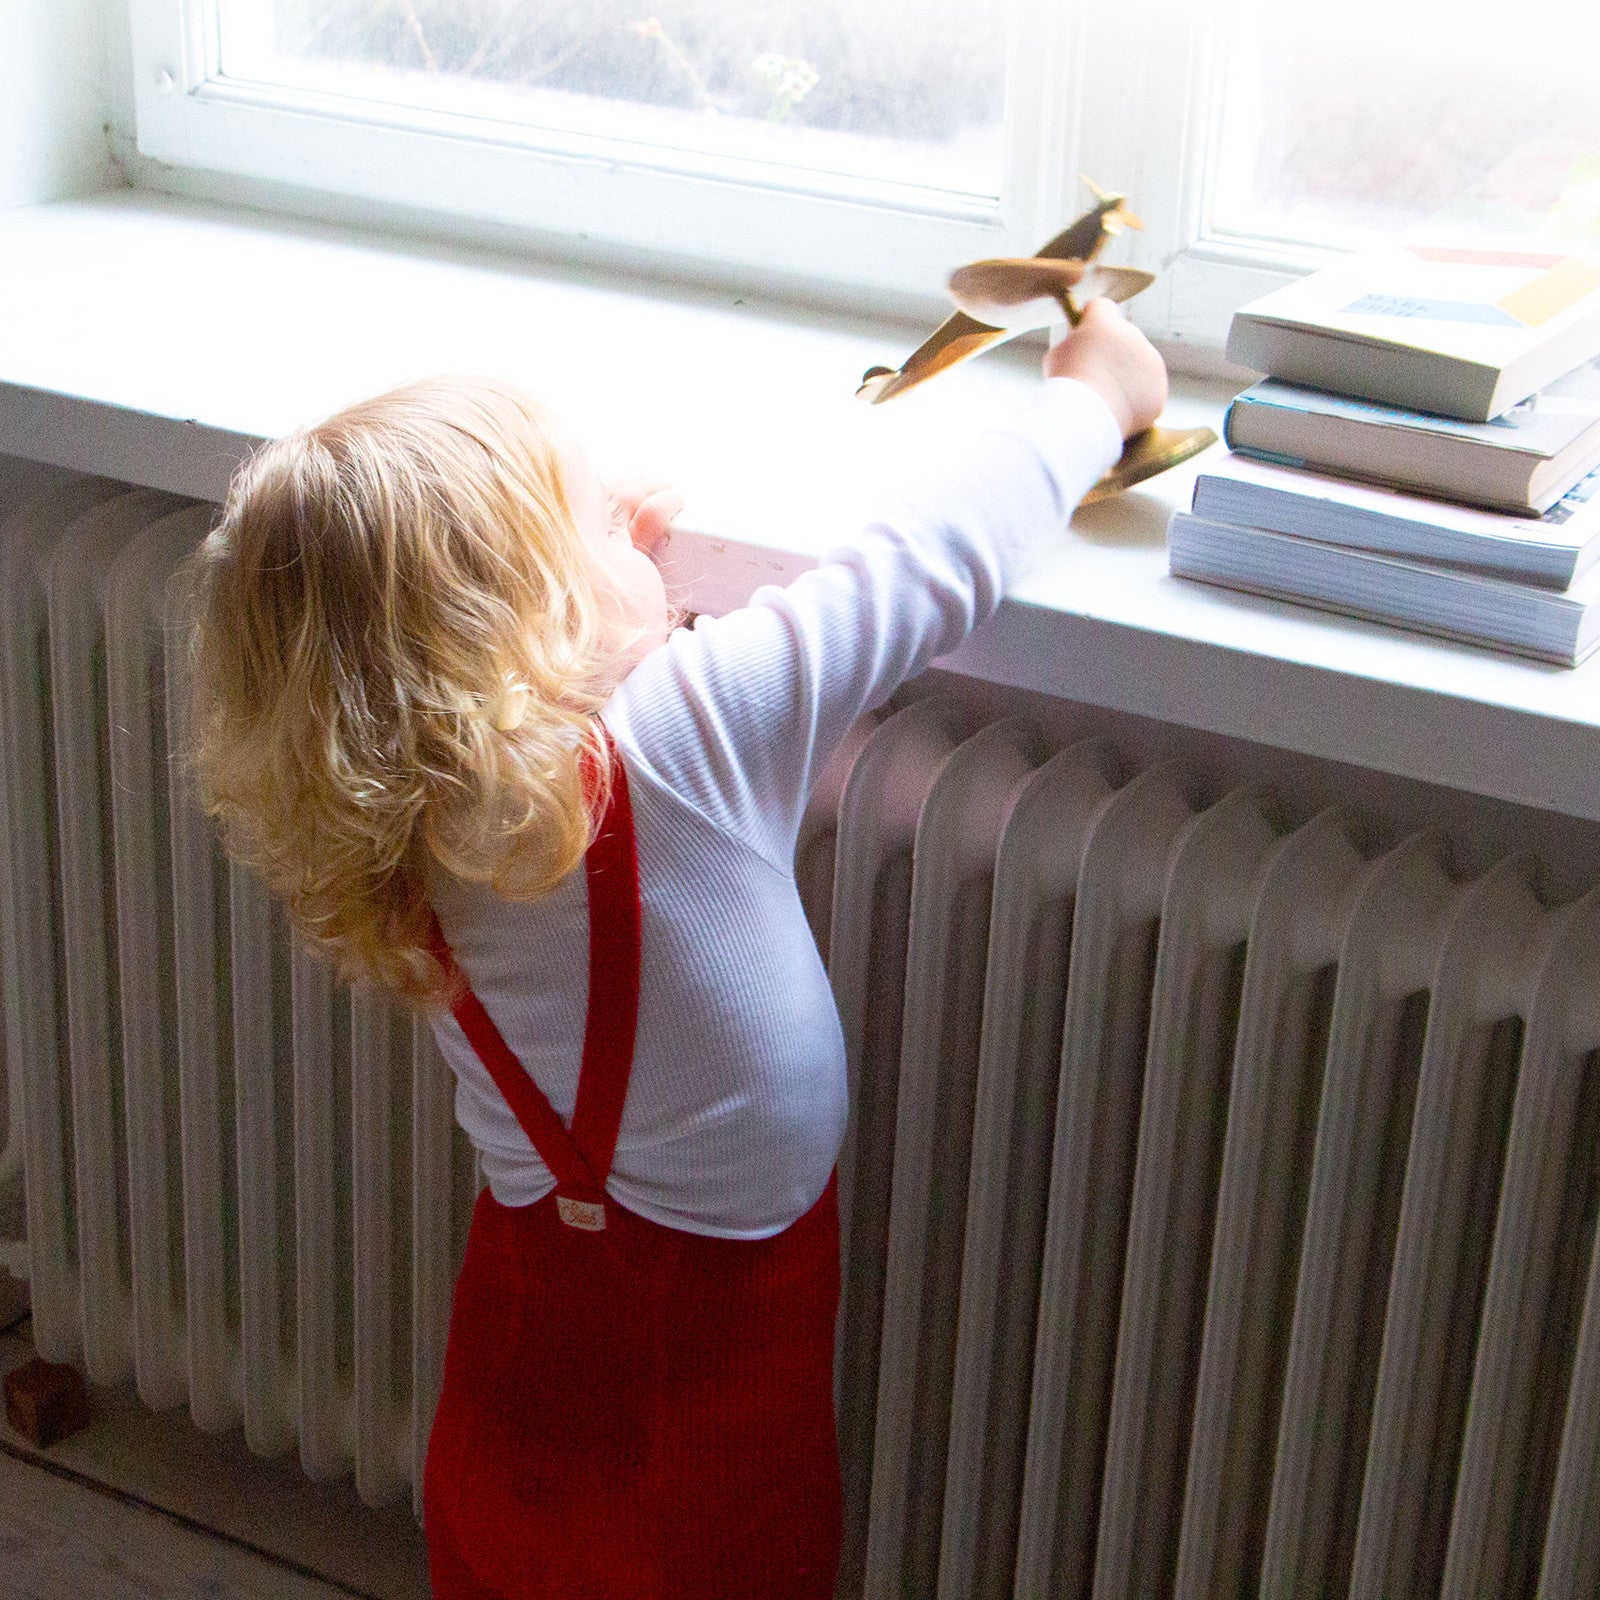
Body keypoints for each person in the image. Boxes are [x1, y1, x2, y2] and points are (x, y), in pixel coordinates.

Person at [183, 297, 1166, 1600]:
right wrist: (1094, 397)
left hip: (514, 1394)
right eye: (596, 527)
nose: (629, 530)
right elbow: (927, 566)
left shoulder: (396, 804)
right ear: (536, 620)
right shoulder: (695, 729)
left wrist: (604, 579)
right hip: (712, 1417)